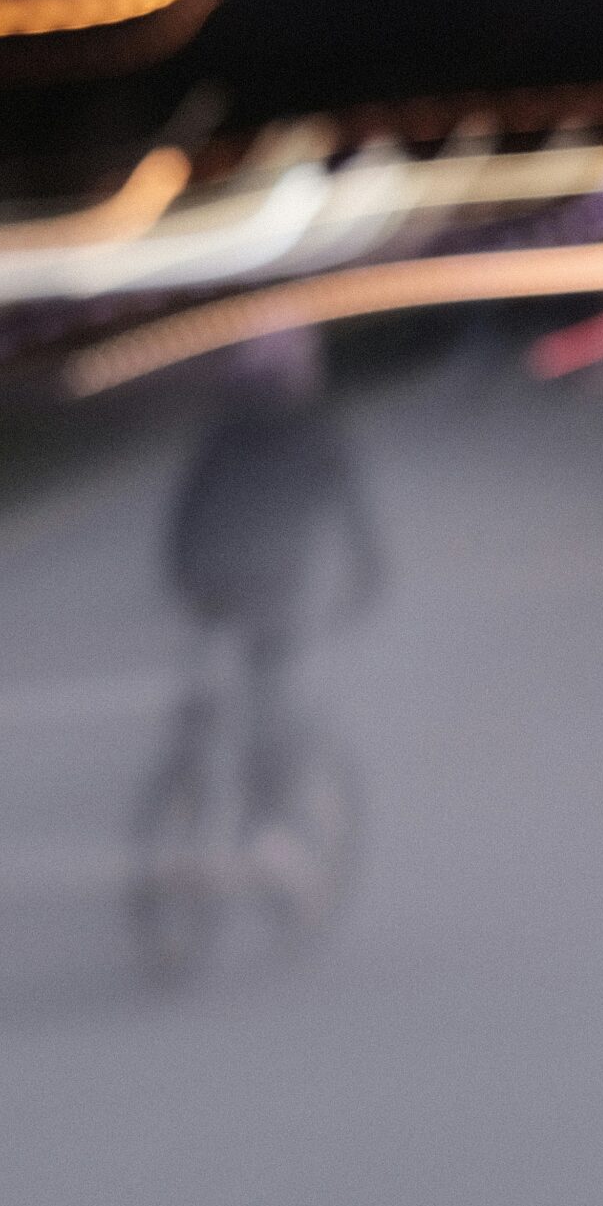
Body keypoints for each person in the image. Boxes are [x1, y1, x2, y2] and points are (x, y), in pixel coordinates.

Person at [132, 328, 384, 975]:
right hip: (272, 595)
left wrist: (184, 580)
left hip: (212, 590)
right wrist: (363, 583)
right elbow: (356, 524)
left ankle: (186, 797)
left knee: (208, 708)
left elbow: (184, 513)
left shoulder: (224, 429)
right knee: (271, 721)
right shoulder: (316, 431)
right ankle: (266, 838)